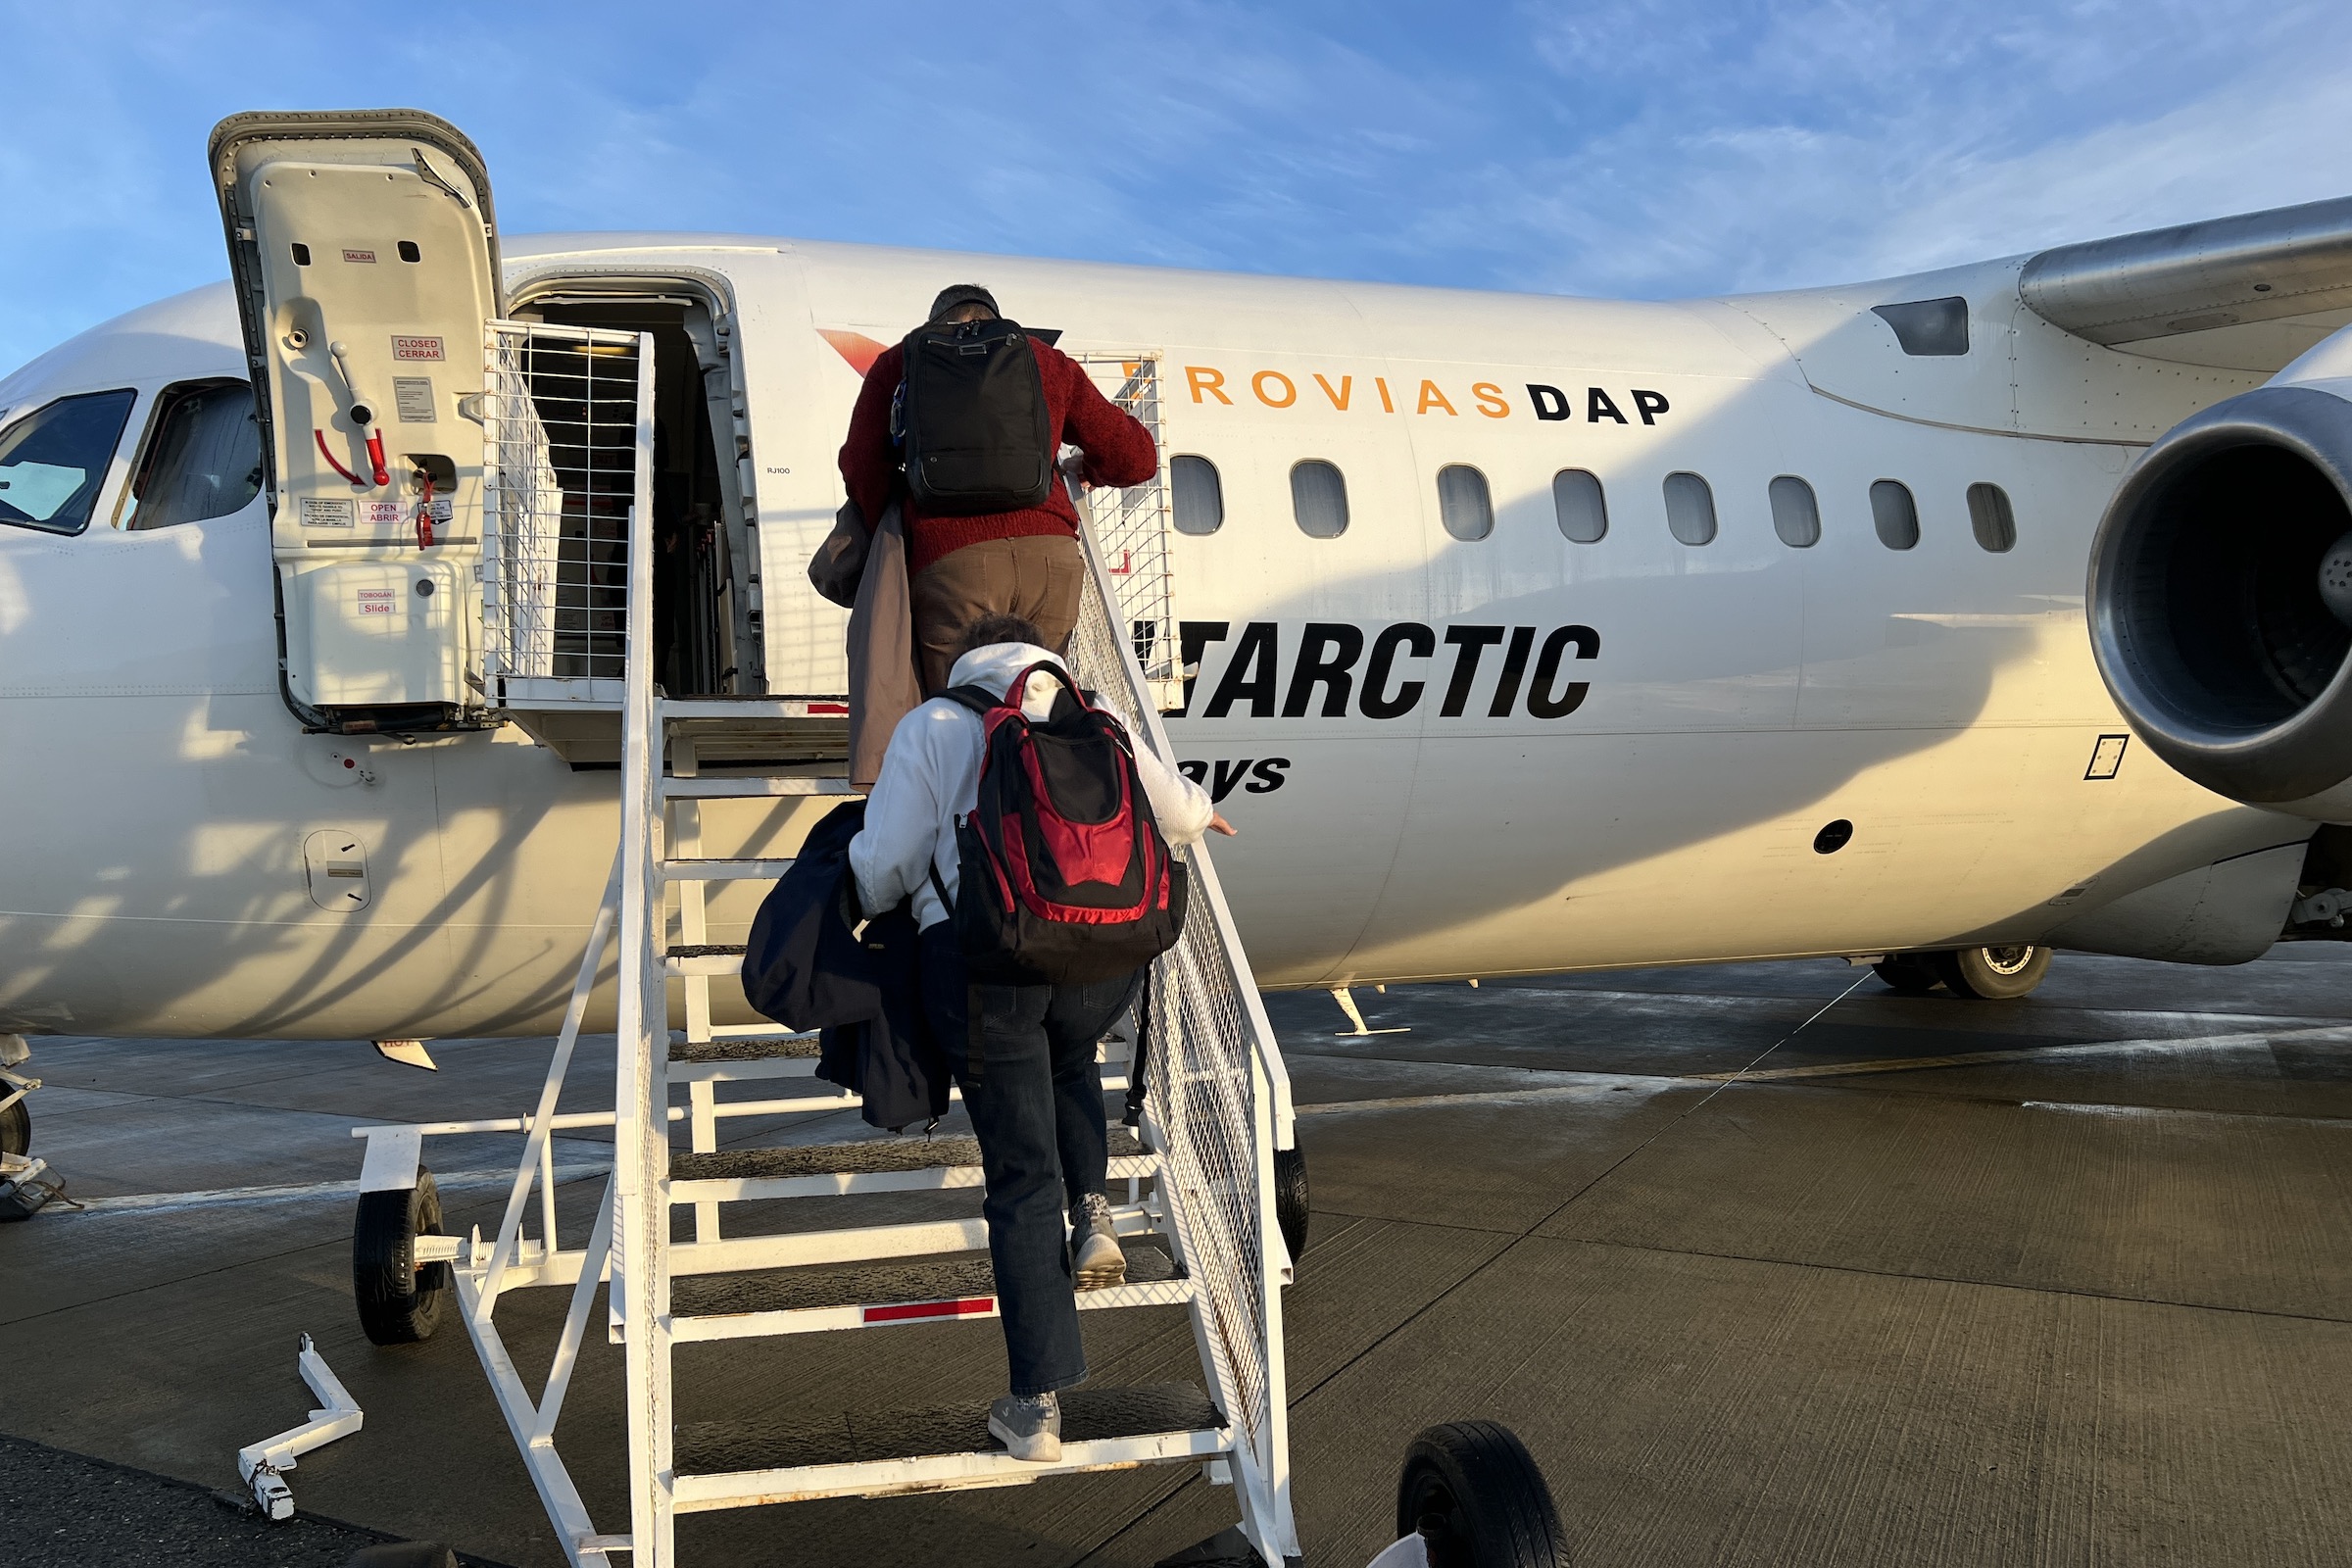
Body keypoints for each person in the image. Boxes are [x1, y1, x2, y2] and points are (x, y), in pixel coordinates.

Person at [847, 612, 1233, 1462]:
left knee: (1020, 1179)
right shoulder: (1098, 719)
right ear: (1043, 654)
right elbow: (1178, 810)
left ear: (962, 658)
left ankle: (1038, 1408)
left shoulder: (936, 726)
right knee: (1071, 1057)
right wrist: (1208, 818)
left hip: (987, 966)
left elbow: (887, 869)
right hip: (1099, 966)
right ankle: (1093, 1208)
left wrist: (854, 883)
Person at [838, 285, 1159, 694]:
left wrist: (889, 523)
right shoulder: (1045, 361)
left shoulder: (902, 360)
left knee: (961, 718)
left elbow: (861, 464)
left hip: (952, 564)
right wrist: (1090, 467)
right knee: (1038, 708)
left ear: (934, 324)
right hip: (1050, 561)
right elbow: (1136, 458)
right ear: (995, 318)